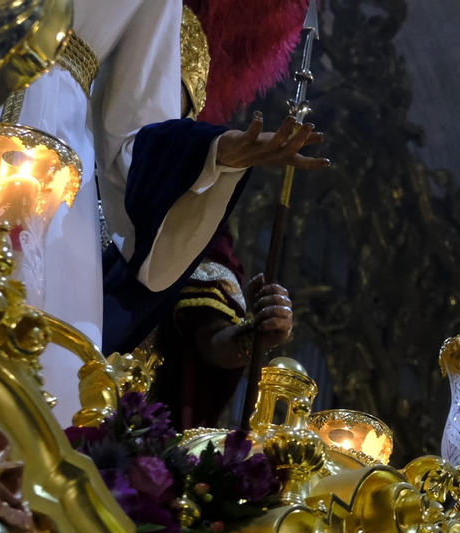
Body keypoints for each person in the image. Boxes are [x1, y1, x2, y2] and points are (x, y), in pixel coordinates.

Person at [101, 3, 316, 427]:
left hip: (106, 410)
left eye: (175, 108)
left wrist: (252, 333)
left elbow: (209, 338)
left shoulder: (194, 204)